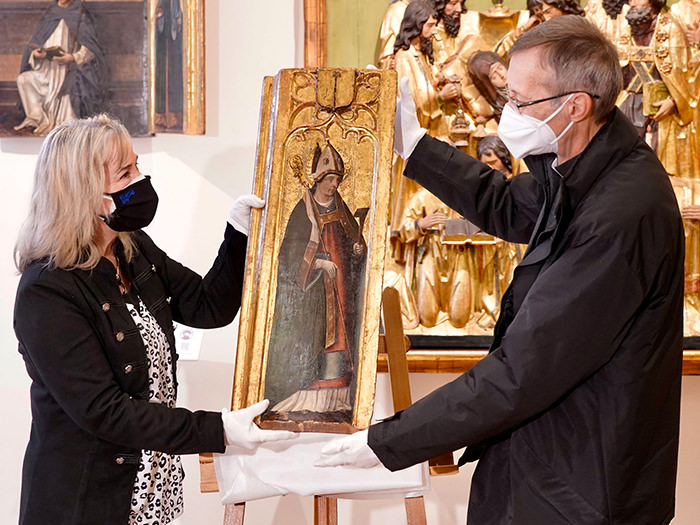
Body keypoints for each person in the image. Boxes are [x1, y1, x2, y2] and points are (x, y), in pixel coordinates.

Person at [318, 15, 684, 525]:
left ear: (575, 105)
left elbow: (523, 372)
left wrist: (386, 442)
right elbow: (508, 205)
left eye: (519, 102)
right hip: (546, 465)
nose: (506, 115)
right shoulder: (581, 159)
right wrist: (414, 145)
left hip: (580, 488)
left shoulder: (620, 211)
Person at [13, 114, 295, 525]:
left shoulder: (132, 248)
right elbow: (105, 411)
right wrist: (219, 430)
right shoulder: (48, 290)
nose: (141, 179)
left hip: (150, 487)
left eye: (137, 165)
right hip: (87, 499)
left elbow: (207, 306)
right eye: (125, 172)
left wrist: (238, 235)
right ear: (84, 193)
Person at [262, 142, 367, 425]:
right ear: (318, 179)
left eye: (337, 180)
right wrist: (318, 263)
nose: (334, 186)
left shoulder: (340, 208)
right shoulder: (303, 209)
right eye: (330, 179)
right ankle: (303, 397)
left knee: (340, 337)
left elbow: (353, 243)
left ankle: (336, 399)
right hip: (314, 291)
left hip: (340, 285)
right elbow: (288, 253)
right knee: (316, 336)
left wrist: (357, 250)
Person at [14, 0, 107, 135]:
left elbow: (91, 48)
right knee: (24, 79)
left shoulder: (80, 13)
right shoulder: (51, 13)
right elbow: (35, 43)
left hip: (68, 71)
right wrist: (36, 54)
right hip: (45, 70)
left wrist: (73, 57)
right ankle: (37, 119)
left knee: (68, 116)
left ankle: (60, 123)